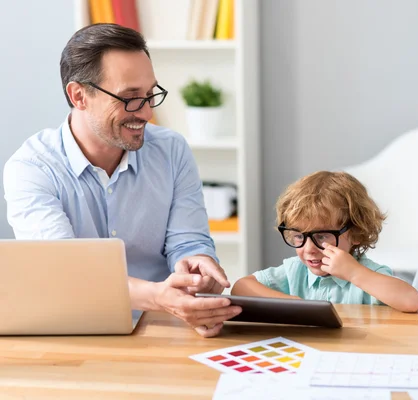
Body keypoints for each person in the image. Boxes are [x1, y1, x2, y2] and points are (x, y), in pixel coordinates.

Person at [3, 23, 241, 337]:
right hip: (74, 331)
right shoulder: (32, 168)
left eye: (150, 94)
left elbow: (188, 240)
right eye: (130, 98)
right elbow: (65, 273)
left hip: (161, 328)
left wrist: (196, 266)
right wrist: (159, 296)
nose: (145, 113)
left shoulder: (171, 151)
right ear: (79, 96)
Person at [232, 171, 418, 312]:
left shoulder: (367, 274)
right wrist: (292, 303)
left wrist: (354, 273)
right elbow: (241, 287)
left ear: (355, 232)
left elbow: (410, 301)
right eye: (299, 236)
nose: (309, 249)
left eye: (321, 236)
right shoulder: (295, 271)